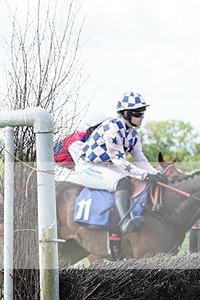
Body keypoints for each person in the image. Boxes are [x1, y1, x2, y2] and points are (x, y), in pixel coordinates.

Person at [69, 92, 166, 234]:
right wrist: (144, 174)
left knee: (135, 180)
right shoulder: (112, 127)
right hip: (88, 167)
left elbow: (141, 160)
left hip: (108, 166)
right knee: (122, 181)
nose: (142, 116)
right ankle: (125, 221)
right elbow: (119, 160)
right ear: (126, 113)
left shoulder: (133, 134)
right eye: (138, 113)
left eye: (143, 113)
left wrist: (155, 173)